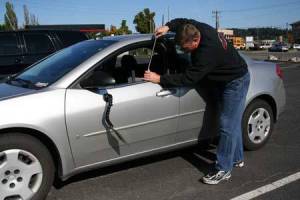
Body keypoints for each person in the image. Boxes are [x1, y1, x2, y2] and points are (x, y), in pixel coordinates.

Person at [143, 18, 250, 185]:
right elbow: (183, 21)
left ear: (195, 40)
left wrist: (160, 79)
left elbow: (189, 77)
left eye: (185, 48)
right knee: (232, 121)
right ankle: (236, 158)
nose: (183, 51)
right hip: (223, 77)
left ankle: (223, 169)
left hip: (235, 81)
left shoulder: (207, 54)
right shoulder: (197, 28)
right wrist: (168, 26)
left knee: (227, 124)